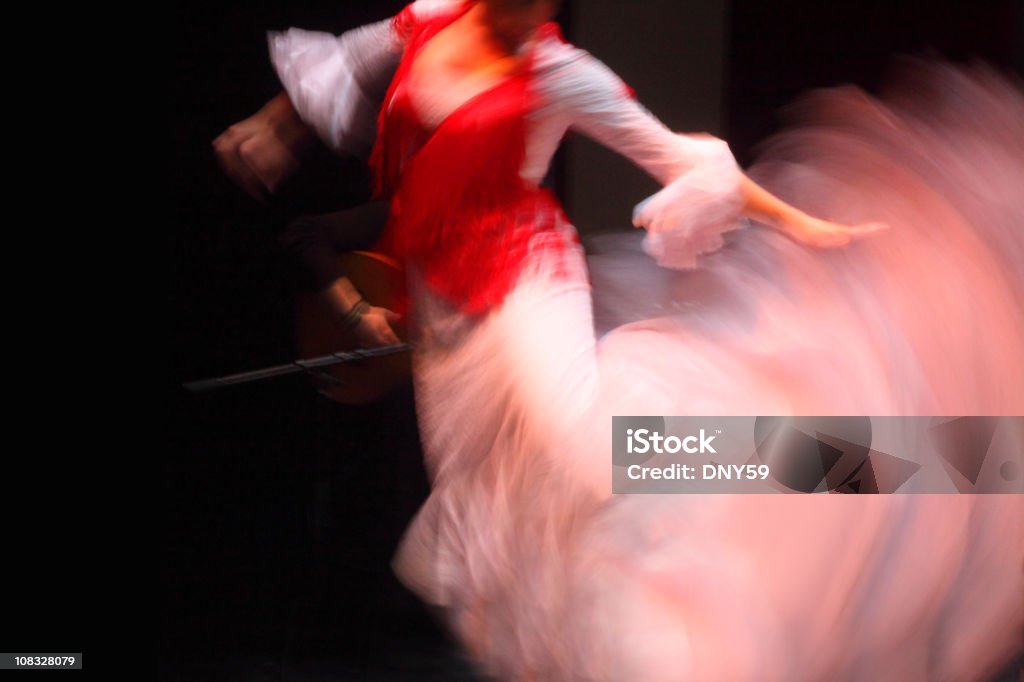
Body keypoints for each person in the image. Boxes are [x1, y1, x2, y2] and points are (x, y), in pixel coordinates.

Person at [244, 0, 1024, 679]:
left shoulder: (559, 71)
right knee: (530, 516)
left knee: (604, 457)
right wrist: (272, 128)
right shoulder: (427, 20)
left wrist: (808, 227)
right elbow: (347, 66)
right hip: (451, 331)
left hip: (523, 287)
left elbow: (681, 157)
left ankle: (880, 463)